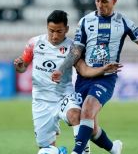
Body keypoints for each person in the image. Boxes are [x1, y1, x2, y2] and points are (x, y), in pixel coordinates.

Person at [52, 0, 138, 154]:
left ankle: (76, 152)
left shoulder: (124, 22)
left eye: (104, 1)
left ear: (114, 1)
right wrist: (61, 69)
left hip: (106, 78)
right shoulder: (86, 21)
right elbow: (76, 50)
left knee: (88, 109)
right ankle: (114, 148)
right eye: (97, 1)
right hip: (84, 77)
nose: (100, 5)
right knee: (90, 128)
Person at [14, 10, 122, 154]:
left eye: (59, 31)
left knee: (76, 115)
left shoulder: (73, 48)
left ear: (66, 29)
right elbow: (23, 67)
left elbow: (84, 70)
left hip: (64, 96)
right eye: (51, 30)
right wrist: (19, 66)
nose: (54, 35)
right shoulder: (34, 43)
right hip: (41, 101)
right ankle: (111, 148)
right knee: (46, 150)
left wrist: (103, 70)